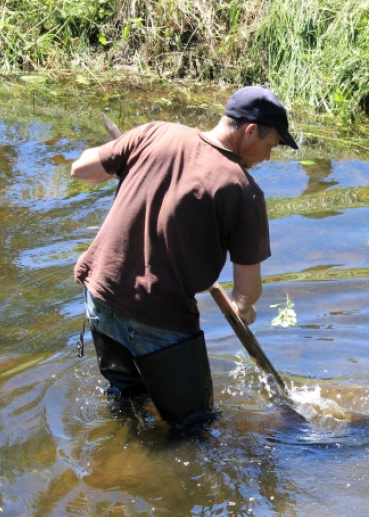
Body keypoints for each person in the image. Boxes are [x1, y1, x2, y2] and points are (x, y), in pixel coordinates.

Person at [70, 86, 299, 436]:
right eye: (272, 146)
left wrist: (130, 164)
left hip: (101, 296)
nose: (268, 157)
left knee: (127, 402)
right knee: (194, 430)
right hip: (160, 318)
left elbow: (81, 169)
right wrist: (245, 309)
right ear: (251, 130)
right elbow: (246, 291)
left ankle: (117, 458)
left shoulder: (156, 133)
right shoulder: (243, 191)